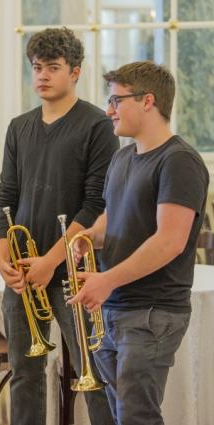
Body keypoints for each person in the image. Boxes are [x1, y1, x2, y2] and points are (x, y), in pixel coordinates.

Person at [69, 61, 208, 425]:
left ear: (148, 101)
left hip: (152, 312)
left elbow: (169, 242)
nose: (108, 109)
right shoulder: (122, 158)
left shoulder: (179, 161)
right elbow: (112, 218)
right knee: (120, 414)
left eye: (116, 100)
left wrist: (106, 279)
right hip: (114, 308)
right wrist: (89, 236)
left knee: (136, 416)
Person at [0, 28, 118, 425]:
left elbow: (96, 203)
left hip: (76, 271)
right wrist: (2, 253)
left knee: (93, 373)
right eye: (37, 67)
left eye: (53, 67)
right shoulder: (19, 126)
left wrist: (51, 260)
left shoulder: (98, 125)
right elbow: (6, 195)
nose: (42, 75)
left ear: (76, 72)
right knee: (24, 374)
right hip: (24, 269)